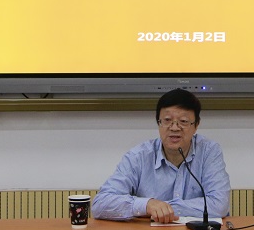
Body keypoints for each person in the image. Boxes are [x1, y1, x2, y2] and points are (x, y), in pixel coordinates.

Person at [91, 88, 230, 223]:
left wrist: (164, 208)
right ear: (158, 123)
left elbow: (219, 204)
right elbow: (100, 203)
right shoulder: (139, 157)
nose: (174, 128)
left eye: (183, 121)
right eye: (167, 120)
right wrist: (147, 205)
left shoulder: (209, 152)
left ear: (196, 125)